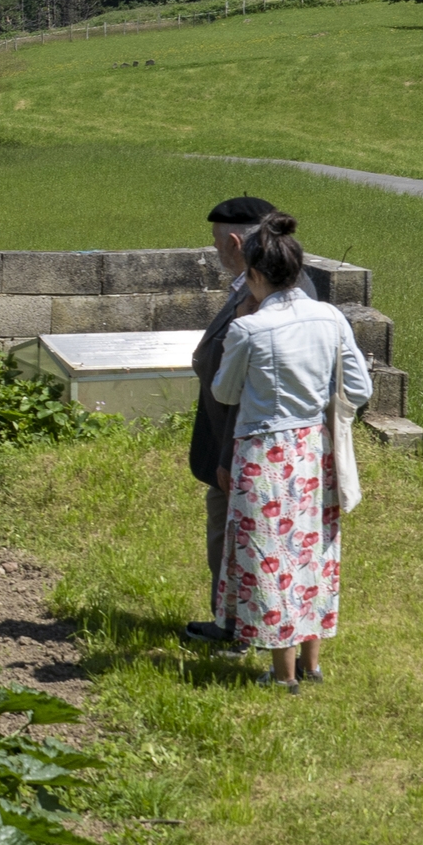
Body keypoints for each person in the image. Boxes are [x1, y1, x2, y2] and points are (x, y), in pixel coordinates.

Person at [208, 213, 371, 690]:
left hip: (265, 453)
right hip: (315, 449)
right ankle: (312, 665)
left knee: (271, 556)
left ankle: (282, 676)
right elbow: (357, 387)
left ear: (255, 273)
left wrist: (241, 327)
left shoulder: (252, 329)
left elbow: (225, 393)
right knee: (314, 551)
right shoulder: (331, 316)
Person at [182, 196, 275, 648]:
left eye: (217, 243)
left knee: (233, 538)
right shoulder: (252, 287)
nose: (215, 252)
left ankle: (236, 626)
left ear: (234, 241)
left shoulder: (258, 301)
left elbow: (245, 392)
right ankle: (233, 619)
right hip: (233, 443)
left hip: (237, 447)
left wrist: (226, 455)